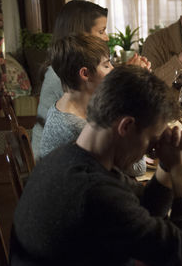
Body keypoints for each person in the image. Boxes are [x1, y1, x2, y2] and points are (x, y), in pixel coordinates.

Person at [10, 66, 182, 266]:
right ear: (126, 126)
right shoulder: (94, 192)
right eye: (151, 140)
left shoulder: (70, 157)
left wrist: (166, 167)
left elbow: (144, 211)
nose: (151, 149)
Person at [31, 0, 150, 160]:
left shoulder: (67, 71)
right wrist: (130, 78)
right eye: (101, 31)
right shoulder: (61, 77)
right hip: (50, 160)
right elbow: (106, 103)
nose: (106, 37)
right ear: (81, 35)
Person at [38, 33, 146, 176]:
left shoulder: (61, 106)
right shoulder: (77, 128)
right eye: (106, 65)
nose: (112, 69)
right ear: (85, 74)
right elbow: (138, 168)